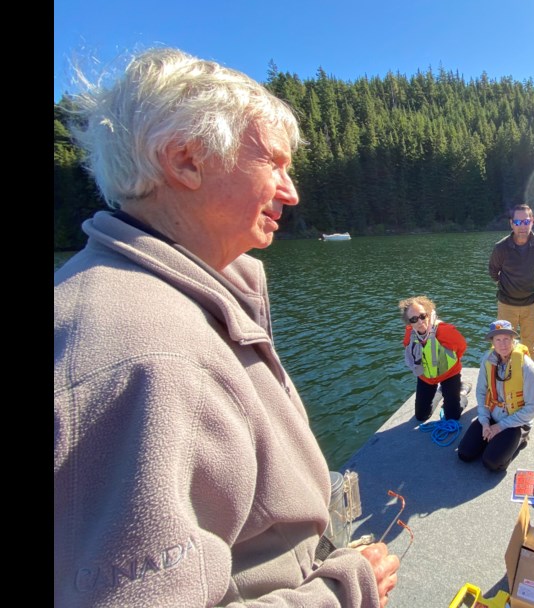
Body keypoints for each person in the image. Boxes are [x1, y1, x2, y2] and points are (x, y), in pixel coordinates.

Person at [54, 48, 399, 607]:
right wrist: (340, 594)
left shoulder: (147, 298)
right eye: (274, 164)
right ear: (186, 160)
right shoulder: (147, 356)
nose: (292, 191)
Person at [458, 320, 534, 471]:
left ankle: (522, 437)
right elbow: (481, 391)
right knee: (464, 453)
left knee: (492, 463)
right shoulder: (487, 360)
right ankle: (495, 440)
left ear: (513, 339)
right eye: (498, 340)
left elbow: (532, 408)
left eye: (507, 339)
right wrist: (484, 421)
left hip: (516, 422)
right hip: (492, 414)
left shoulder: (526, 366)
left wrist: (501, 427)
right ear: (492, 342)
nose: (503, 344)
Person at [488, 204, 534, 361]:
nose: (522, 226)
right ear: (511, 224)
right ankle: (503, 380)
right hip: (506, 304)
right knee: (503, 346)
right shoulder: (501, 247)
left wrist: (533, 285)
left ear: (532, 222)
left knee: (529, 347)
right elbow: (493, 272)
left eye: (525, 221)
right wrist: (509, 287)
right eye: (517, 222)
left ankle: (528, 381)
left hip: (531, 304)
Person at [399, 295, 468, 422]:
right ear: (409, 322)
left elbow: (462, 347)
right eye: (413, 319)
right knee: (421, 416)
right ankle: (441, 392)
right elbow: (408, 347)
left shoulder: (445, 330)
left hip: (449, 374)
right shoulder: (410, 333)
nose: (419, 322)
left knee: (452, 417)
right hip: (426, 377)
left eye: (422, 316)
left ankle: (462, 393)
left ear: (429, 313)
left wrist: (448, 363)